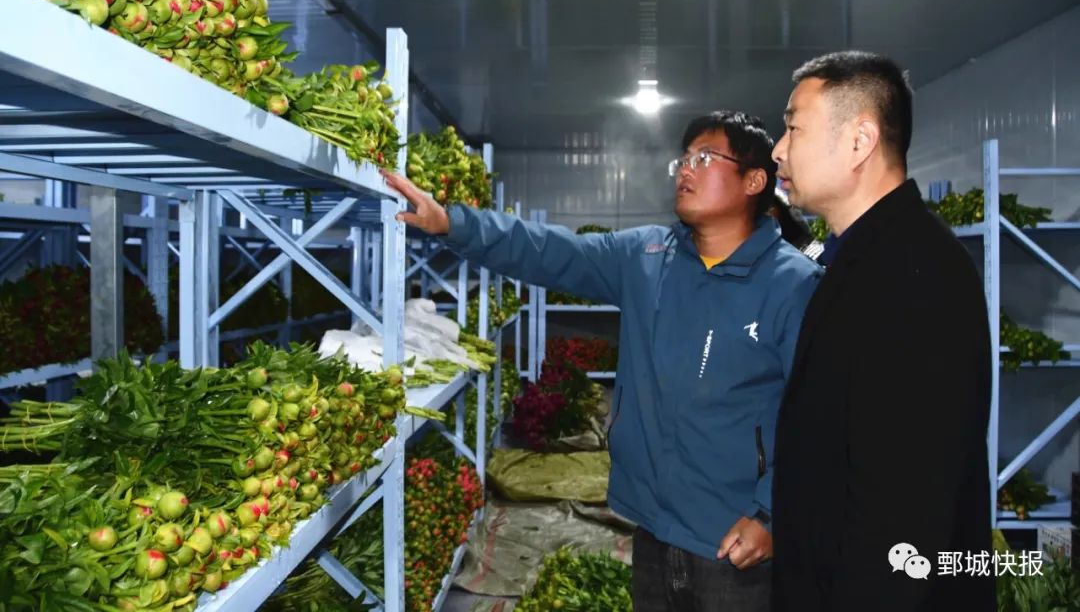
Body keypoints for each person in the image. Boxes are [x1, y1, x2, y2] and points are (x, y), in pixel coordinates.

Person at [382, 111, 821, 611]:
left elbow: (815, 418)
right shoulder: (647, 255)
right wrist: (451, 223)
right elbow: (548, 250)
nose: (685, 170)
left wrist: (771, 516)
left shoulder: (792, 285)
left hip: (734, 544)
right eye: (683, 159)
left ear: (754, 180)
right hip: (652, 526)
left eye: (704, 158)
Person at [770, 51, 994, 611]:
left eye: (793, 126)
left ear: (859, 140)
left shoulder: (916, 273)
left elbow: (902, 514)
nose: (778, 149)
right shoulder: (860, 257)